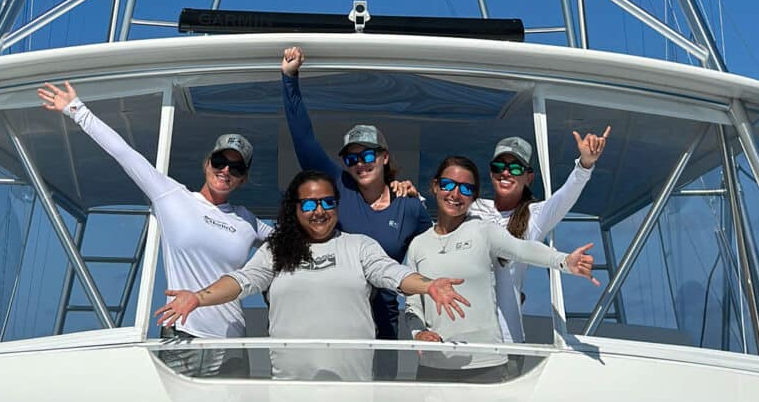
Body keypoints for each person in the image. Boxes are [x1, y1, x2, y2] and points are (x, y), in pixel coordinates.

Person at [37, 80, 269, 377]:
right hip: (183, 338)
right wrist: (76, 110)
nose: (225, 170)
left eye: (236, 168)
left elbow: (291, 241)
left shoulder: (247, 220)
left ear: (243, 179)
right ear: (207, 163)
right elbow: (123, 153)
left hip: (234, 344)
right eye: (220, 161)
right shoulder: (171, 195)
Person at [156, 169, 469, 381]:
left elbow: (393, 274)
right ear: (295, 208)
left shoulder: (359, 246)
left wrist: (429, 287)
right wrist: (198, 298)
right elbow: (241, 281)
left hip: (355, 389)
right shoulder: (276, 251)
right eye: (309, 203)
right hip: (290, 391)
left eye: (327, 202)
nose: (319, 211)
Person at [280, 46, 431, 341]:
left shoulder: (410, 207)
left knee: (383, 387)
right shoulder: (339, 185)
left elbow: (434, 251)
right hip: (333, 315)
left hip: (383, 321)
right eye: (351, 158)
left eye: (368, 155)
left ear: (384, 157)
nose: (360, 163)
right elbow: (303, 137)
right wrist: (290, 78)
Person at [404, 155, 598, 382]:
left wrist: (565, 261)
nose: (455, 194)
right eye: (448, 185)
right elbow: (412, 304)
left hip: (486, 364)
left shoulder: (484, 231)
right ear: (435, 187)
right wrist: (419, 333)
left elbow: (523, 249)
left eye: (466, 189)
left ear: (474, 198)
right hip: (433, 363)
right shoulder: (418, 245)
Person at [471, 128, 610, 342]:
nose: (505, 173)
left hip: (507, 342)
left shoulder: (534, 215)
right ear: (491, 173)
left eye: (515, 168)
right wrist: (407, 193)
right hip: (460, 338)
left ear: (529, 177)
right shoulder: (472, 208)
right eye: (499, 166)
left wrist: (585, 163)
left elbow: (566, 195)